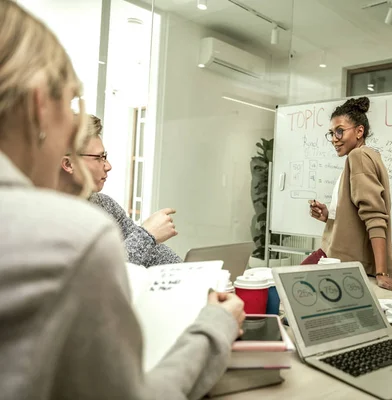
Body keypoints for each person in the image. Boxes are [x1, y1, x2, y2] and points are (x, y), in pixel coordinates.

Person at [0, 2, 244, 399]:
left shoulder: (104, 208)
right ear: (41, 106)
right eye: (71, 103)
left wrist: (200, 280)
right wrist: (215, 325)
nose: (108, 165)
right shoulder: (74, 235)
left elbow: (165, 268)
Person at [307, 97, 392, 291]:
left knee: (289, 292)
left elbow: (375, 215)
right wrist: (329, 215)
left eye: (340, 131)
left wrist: (382, 274)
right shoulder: (366, 156)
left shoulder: (358, 156)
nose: (335, 138)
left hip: (345, 264)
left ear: (359, 131)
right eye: (331, 133)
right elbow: (355, 214)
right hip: (334, 254)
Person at [59, 114, 182, 267]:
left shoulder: (104, 204)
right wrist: (147, 235)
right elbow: (100, 274)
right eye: (99, 158)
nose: (108, 166)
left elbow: (152, 254)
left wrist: (194, 276)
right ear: (68, 164)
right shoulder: (51, 217)